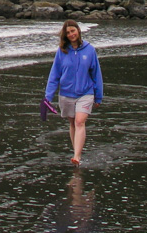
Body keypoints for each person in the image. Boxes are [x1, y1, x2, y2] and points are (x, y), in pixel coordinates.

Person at [44, 19, 103, 165]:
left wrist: (98, 96)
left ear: (78, 30)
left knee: (79, 121)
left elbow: (96, 74)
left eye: (73, 31)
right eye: (68, 32)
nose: (71, 34)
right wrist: (48, 97)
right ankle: (76, 151)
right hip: (66, 94)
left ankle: (77, 156)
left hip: (85, 92)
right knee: (72, 123)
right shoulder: (62, 51)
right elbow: (54, 75)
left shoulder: (89, 50)